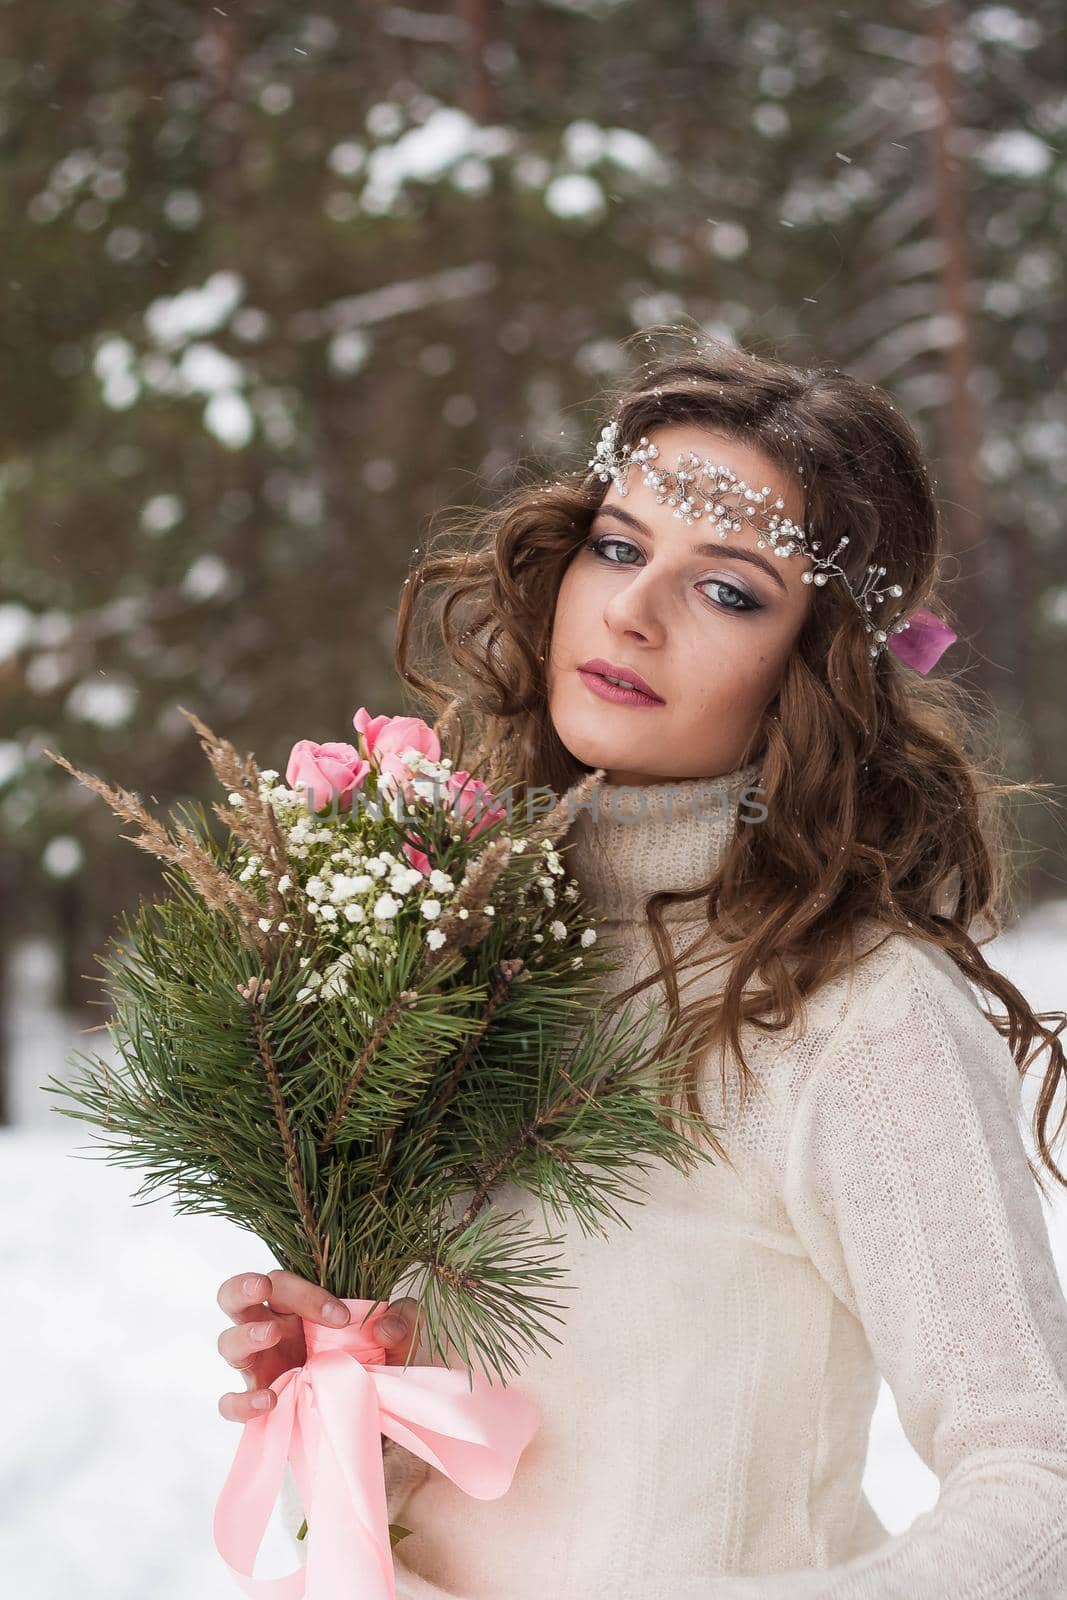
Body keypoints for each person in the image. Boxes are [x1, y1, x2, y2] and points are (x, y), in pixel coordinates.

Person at [215, 328, 1067, 1597]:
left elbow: (1038, 1488)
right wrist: (361, 1384)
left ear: (814, 666)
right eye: (619, 546)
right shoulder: (463, 945)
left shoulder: (851, 1010)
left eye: (727, 589)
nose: (630, 609)